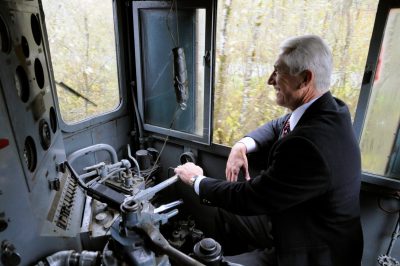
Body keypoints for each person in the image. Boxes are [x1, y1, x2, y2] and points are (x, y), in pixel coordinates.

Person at [175, 35, 363, 266]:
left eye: (278, 71)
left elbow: (249, 197)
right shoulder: (330, 109)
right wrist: (242, 144)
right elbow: (281, 124)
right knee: (225, 211)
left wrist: (196, 181)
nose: (269, 80)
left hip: (312, 251)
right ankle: (234, 257)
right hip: (295, 220)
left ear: (305, 78)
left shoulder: (308, 145)